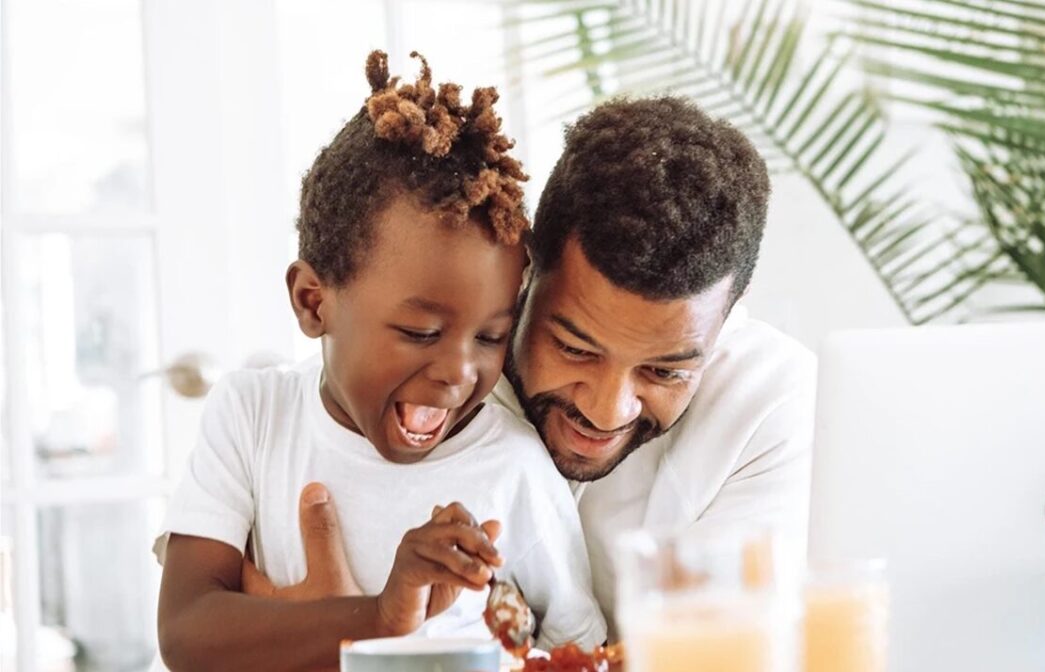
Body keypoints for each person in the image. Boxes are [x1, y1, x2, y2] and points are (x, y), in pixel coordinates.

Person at [266, 95, 818, 637]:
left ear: (723, 324)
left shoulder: (767, 401)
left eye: (663, 373)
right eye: (575, 349)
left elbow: (722, 653)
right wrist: (321, 630)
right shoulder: (413, 392)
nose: (605, 411)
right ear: (526, 275)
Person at [154, 51, 605, 672]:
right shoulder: (252, 417)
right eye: (421, 331)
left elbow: (581, 651)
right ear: (314, 303)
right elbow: (186, 632)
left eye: (490, 336)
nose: (458, 372)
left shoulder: (514, 470)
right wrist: (384, 617)